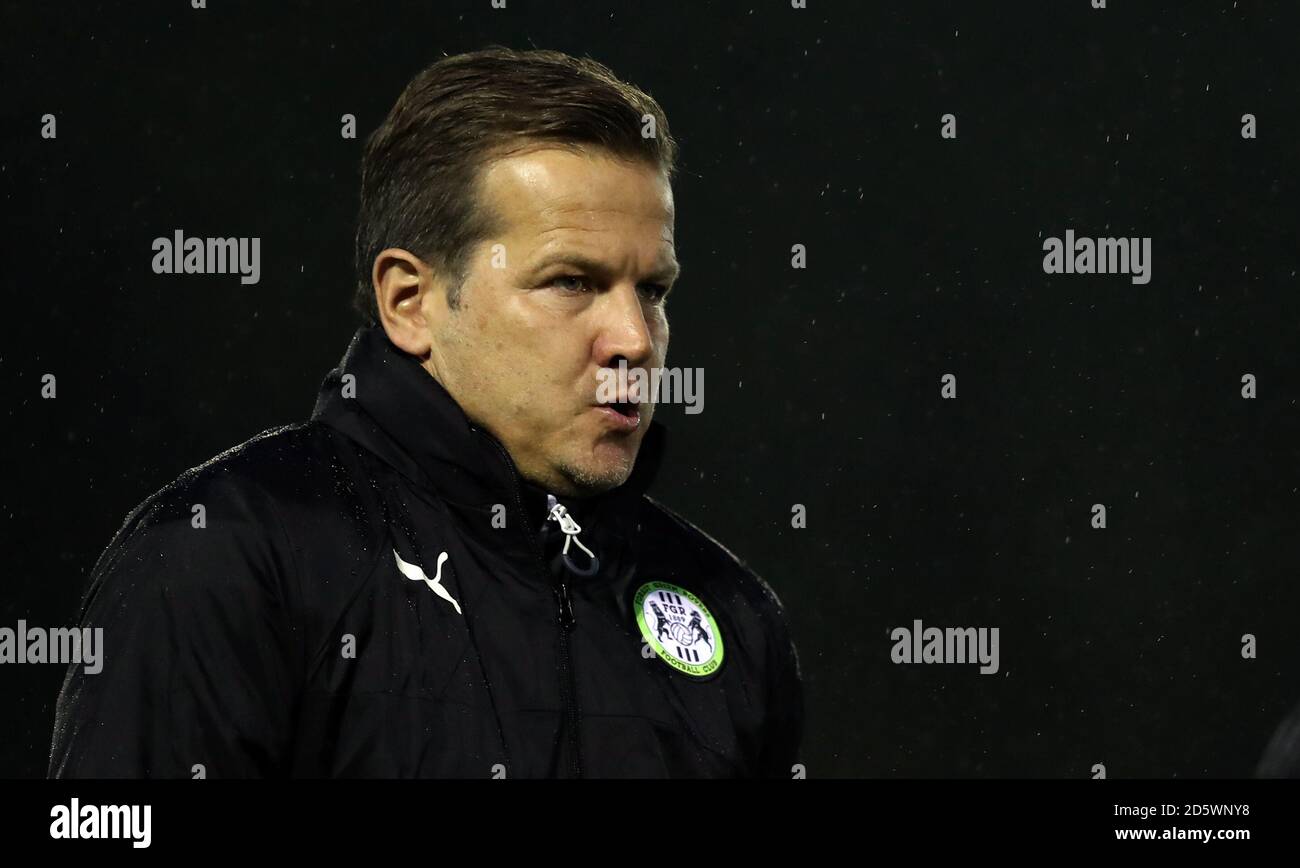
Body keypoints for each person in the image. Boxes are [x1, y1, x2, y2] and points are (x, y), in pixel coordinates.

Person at [48, 46, 803, 778]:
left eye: (653, 290)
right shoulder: (222, 561)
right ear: (411, 302)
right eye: (572, 281)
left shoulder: (731, 615)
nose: (635, 340)